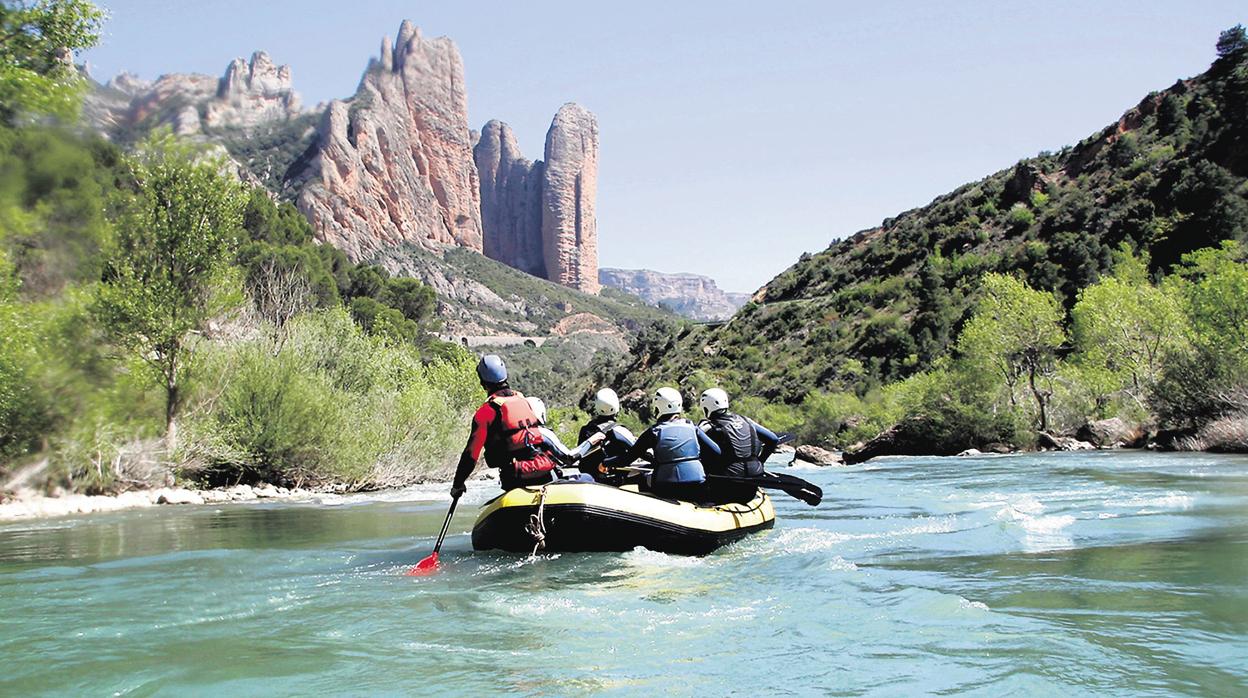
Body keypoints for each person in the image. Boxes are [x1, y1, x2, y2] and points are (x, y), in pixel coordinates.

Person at [450, 355, 557, 498]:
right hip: (544, 471)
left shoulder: (486, 412)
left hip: (516, 478)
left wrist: (458, 484)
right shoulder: (525, 401)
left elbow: (471, 454)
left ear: (483, 382)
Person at [616, 387, 721, 502]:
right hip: (698, 483)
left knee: (642, 478)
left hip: (666, 487)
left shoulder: (654, 432)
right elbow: (716, 451)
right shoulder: (692, 426)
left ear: (658, 407)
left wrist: (606, 463)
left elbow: (627, 458)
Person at [697, 388, 781, 478]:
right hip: (756, 472)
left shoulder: (708, 427)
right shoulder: (747, 421)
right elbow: (773, 439)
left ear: (706, 407)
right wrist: (760, 461)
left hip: (730, 476)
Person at [524, 396, 604, 479]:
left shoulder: (514, 435)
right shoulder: (541, 433)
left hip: (520, 483)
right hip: (545, 483)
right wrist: (591, 441)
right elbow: (570, 458)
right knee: (588, 477)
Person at [576, 388, 637, 483]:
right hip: (612, 480)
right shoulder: (619, 430)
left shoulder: (585, 430)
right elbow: (635, 450)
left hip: (590, 478)